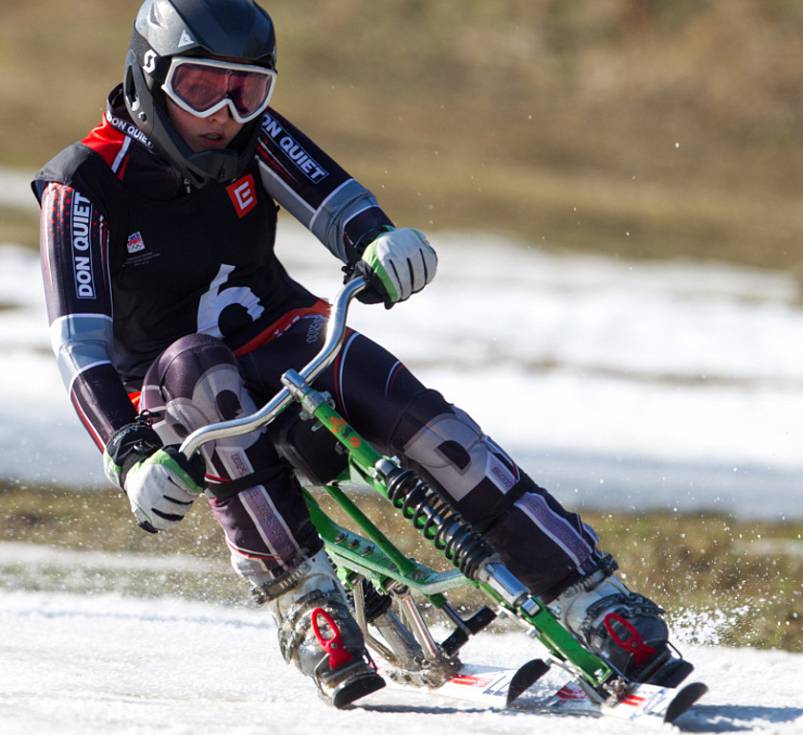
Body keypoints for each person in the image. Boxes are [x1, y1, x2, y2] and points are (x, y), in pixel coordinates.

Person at [33, 0, 687, 708]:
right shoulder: (84, 184)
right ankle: (307, 606)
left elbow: (336, 203)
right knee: (198, 364)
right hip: (174, 396)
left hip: (279, 339)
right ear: (148, 76)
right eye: (200, 87)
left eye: (247, 89)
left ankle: (594, 597)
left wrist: (377, 240)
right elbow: (78, 344)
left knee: (414, 413)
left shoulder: (252, 137)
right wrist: (125, 453)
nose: (225, 110)